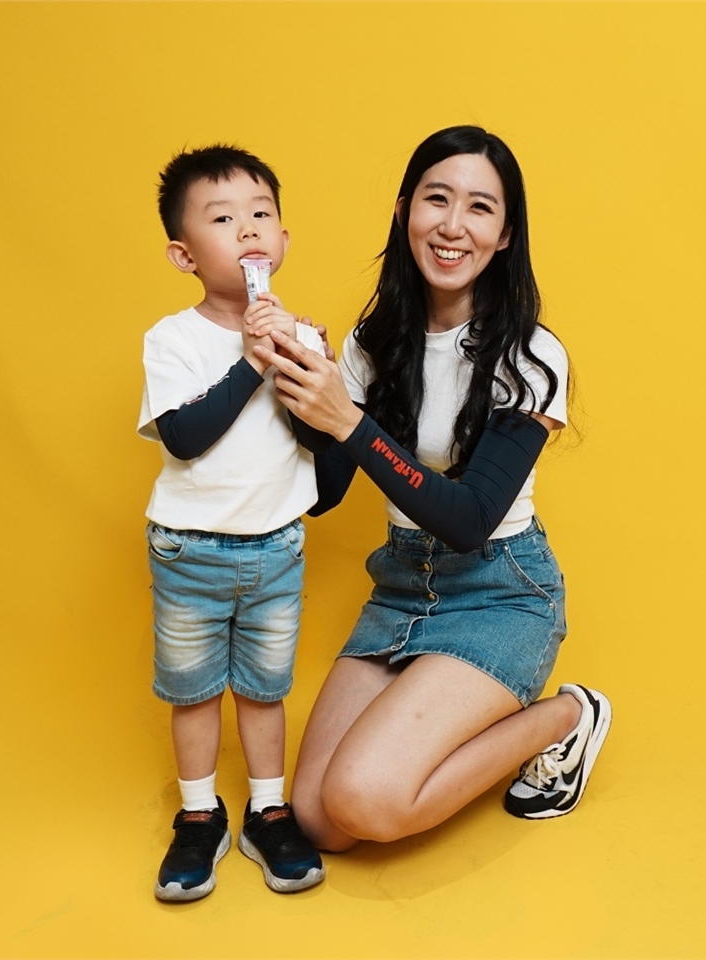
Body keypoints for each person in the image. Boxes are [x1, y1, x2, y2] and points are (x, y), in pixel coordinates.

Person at [253, 126, 612, 851]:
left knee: (366, 800)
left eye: (480, 208)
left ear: (505, 235)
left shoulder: (531, 356)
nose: (453, 226)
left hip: (500, 591)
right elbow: (326, 493)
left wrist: (348, 420)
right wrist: (298, 390)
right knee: (321, 822)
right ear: (403, 211)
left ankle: (569, 715)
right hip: (401, 584)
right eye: (436, 199)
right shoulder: (374, 343)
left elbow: (470, 519)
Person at [137, 145, 327, 898]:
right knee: (193, 691)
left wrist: (300, 362)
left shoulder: (303, 337)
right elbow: (184, 437)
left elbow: (323, 441)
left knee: (263, 687)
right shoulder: (172, 340)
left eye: (260, 214)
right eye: (222, 219)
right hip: (190, 552)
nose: (247, 229)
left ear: (283, 240)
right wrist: (250, 364)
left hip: (278, 548)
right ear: (184, 255)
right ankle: (198, 815)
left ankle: (268, 810)